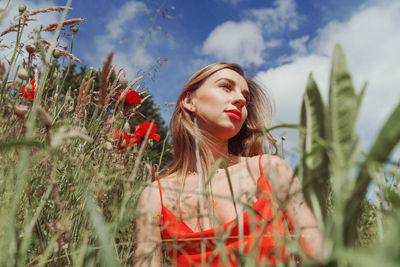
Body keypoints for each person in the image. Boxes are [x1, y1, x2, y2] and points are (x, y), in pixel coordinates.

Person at [134, 63, 323, 266]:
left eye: (246, 97)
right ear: (189, 101)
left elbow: (320, 256)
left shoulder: (269, 170)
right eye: (226, 86)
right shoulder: (155, 195)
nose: (241, 100)